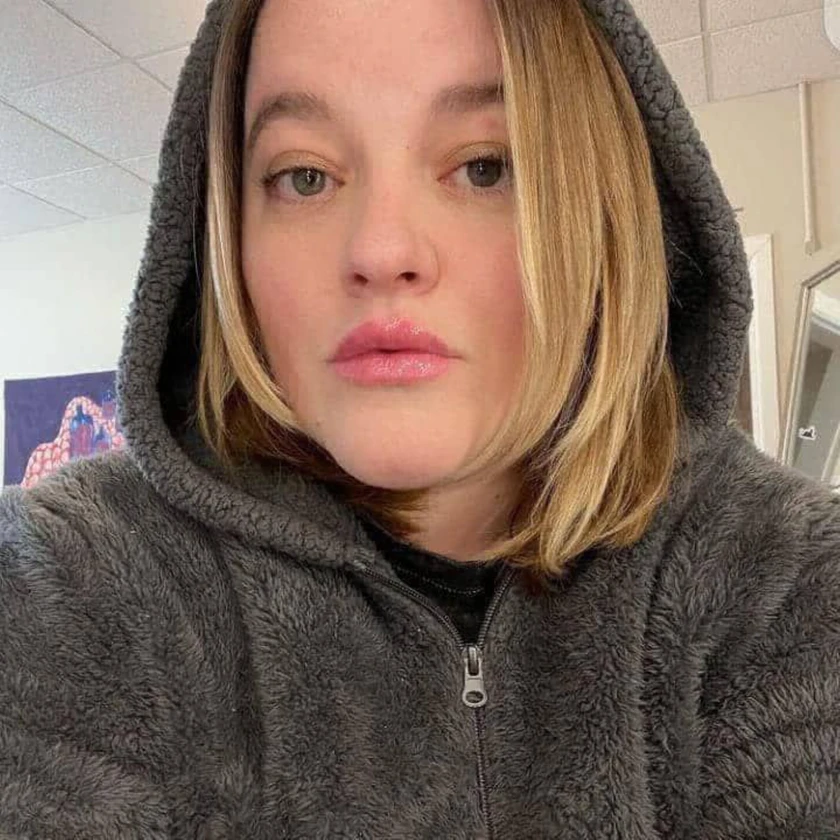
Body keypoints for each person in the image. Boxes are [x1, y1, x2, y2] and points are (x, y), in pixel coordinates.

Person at [1, 0, 838, 836]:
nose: (381, 250)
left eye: (484, 167)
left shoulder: (789, 581)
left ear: (605, 211)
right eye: (304, 176)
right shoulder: (68, 583)